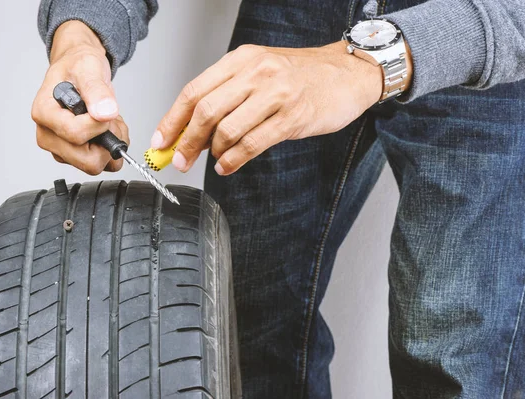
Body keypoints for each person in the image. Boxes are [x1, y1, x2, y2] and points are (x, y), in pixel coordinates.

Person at [31, 0, 525, 397]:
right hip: (297, 12)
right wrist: (81, 35)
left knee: (455, 354)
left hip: (485, 17)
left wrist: (371, 59)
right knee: (249, 331)